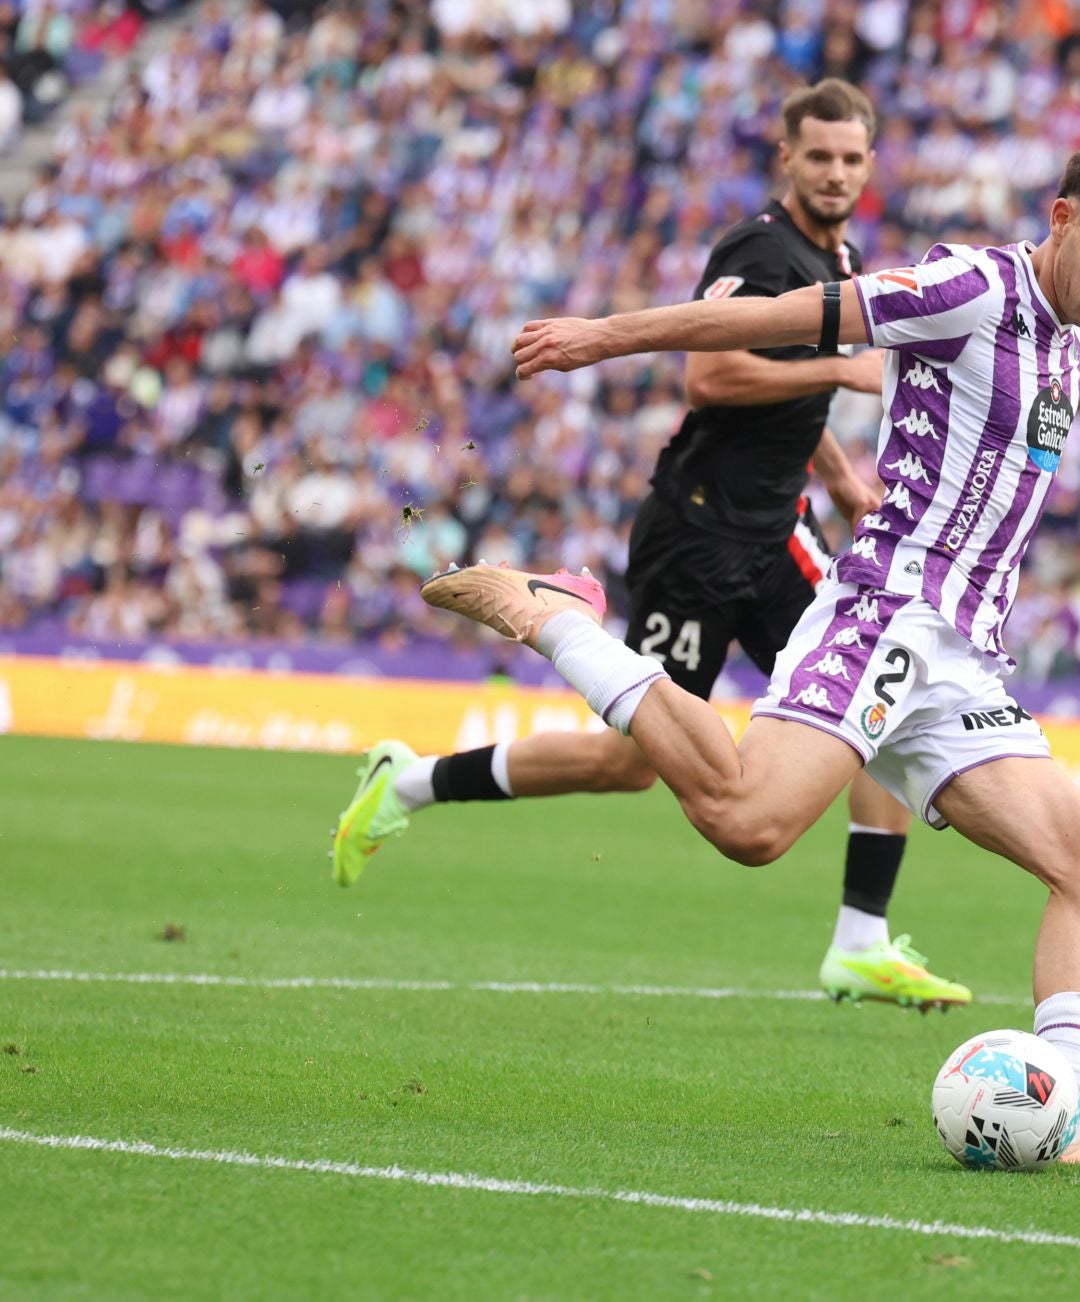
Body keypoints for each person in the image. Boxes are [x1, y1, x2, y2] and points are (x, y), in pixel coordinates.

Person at [423, 140, 1080, 1170]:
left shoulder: (1076, 337)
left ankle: (1079, 1119)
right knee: (748, 823)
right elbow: (775, 323)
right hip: (885, 613)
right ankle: (553, 615)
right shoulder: (964, 288)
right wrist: (608, 335)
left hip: (964, 657)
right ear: (1062, 219)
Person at [329, 81, 971, 1011]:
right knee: (632, 763)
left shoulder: (841, 253)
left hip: (780, 528)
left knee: (870, 695)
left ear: (869, 164)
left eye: (852, 158)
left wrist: (830, 464)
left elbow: (789, 389)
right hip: (699, 532)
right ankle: (414, 782)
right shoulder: (760, 249)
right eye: (819, 156)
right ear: (786, 158)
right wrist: (842, 370)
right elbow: (712, 375)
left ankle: (860, 942)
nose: (836, 173)